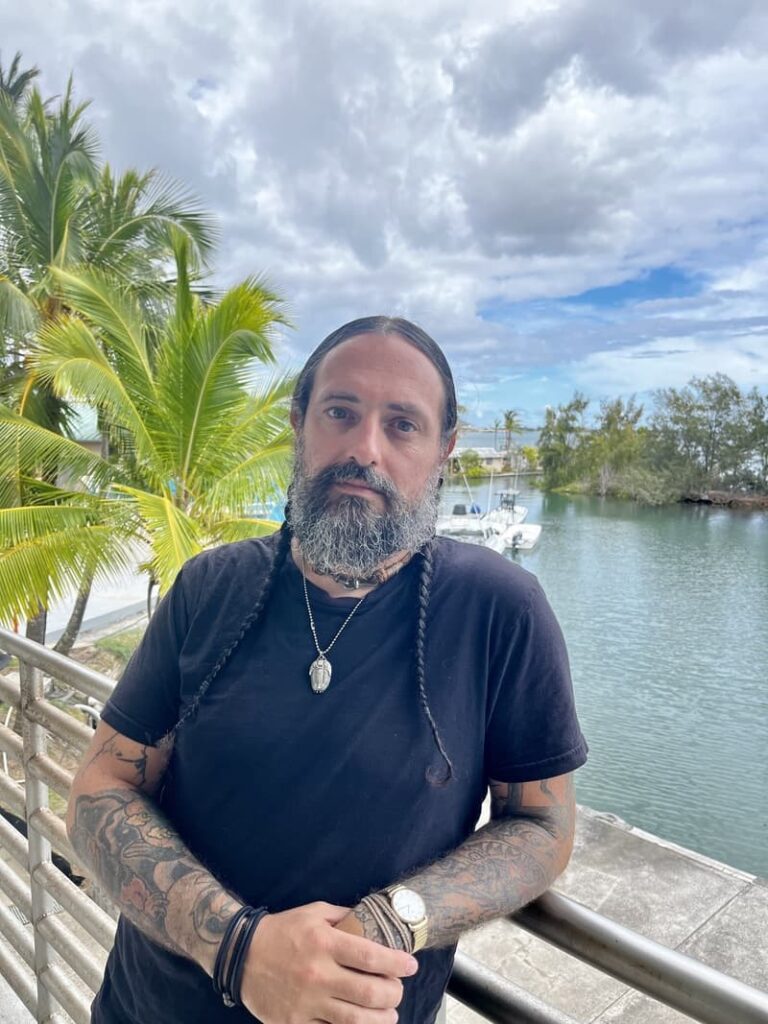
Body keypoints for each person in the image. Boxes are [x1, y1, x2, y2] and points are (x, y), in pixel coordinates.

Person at [67, 316, 588, 1024]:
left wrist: (395, 919)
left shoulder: (499, 610)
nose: (363, 449)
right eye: (340, 412)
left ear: (444, 451)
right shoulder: (208, 587)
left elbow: (541, 825)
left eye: (402, 425)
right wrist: (238, 949)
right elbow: (104, 786)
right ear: (299, 425)